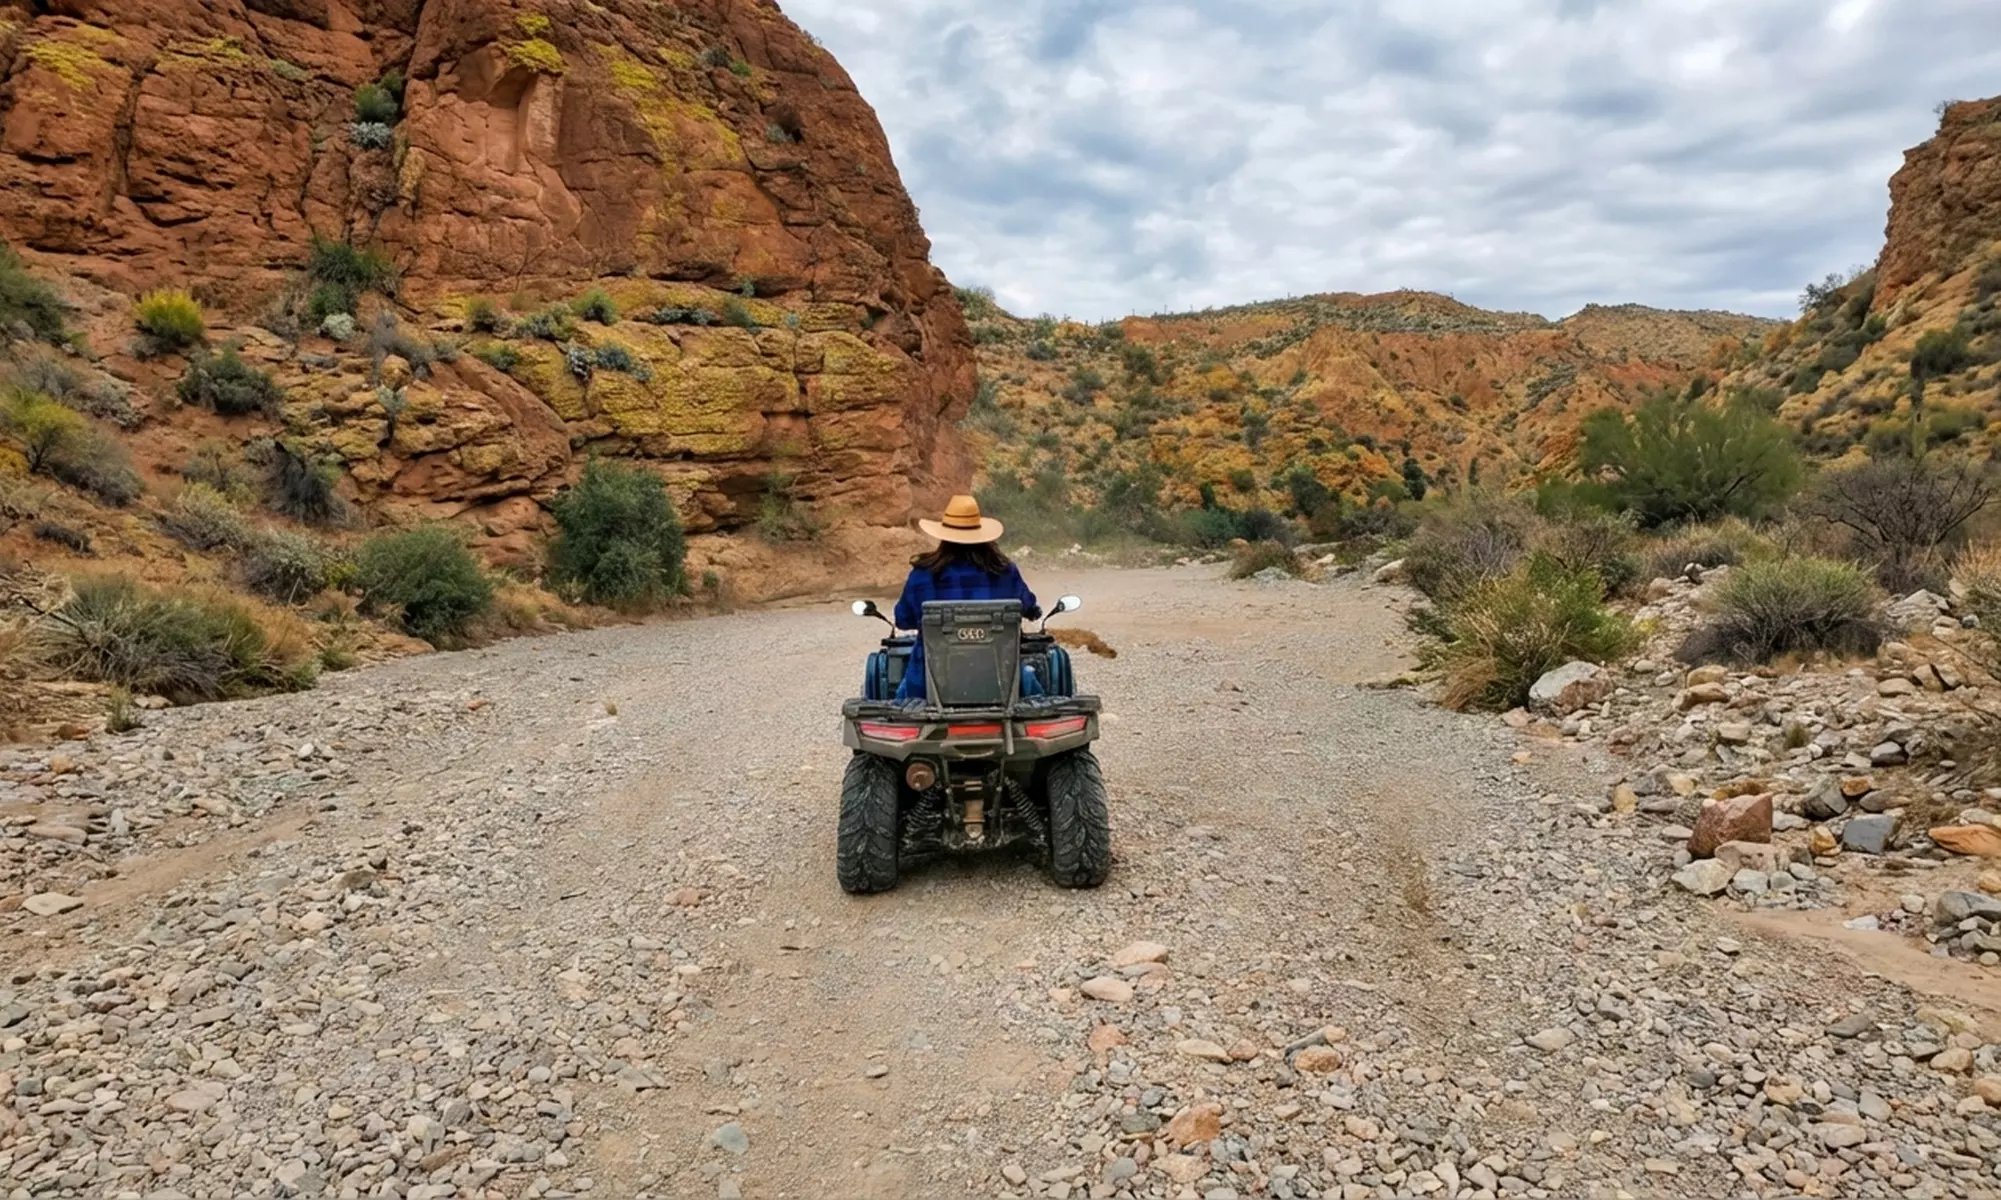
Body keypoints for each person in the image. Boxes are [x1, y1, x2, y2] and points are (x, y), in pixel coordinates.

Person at [893, 495, 1042, 703]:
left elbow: (903, 619)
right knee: (1034, 691)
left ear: (944, 535)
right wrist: (1032, 610)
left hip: (929, 684)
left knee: (900, 701)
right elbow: (1028, 606)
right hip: (1003, 682)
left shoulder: (922, 575)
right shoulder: (1005, 571)